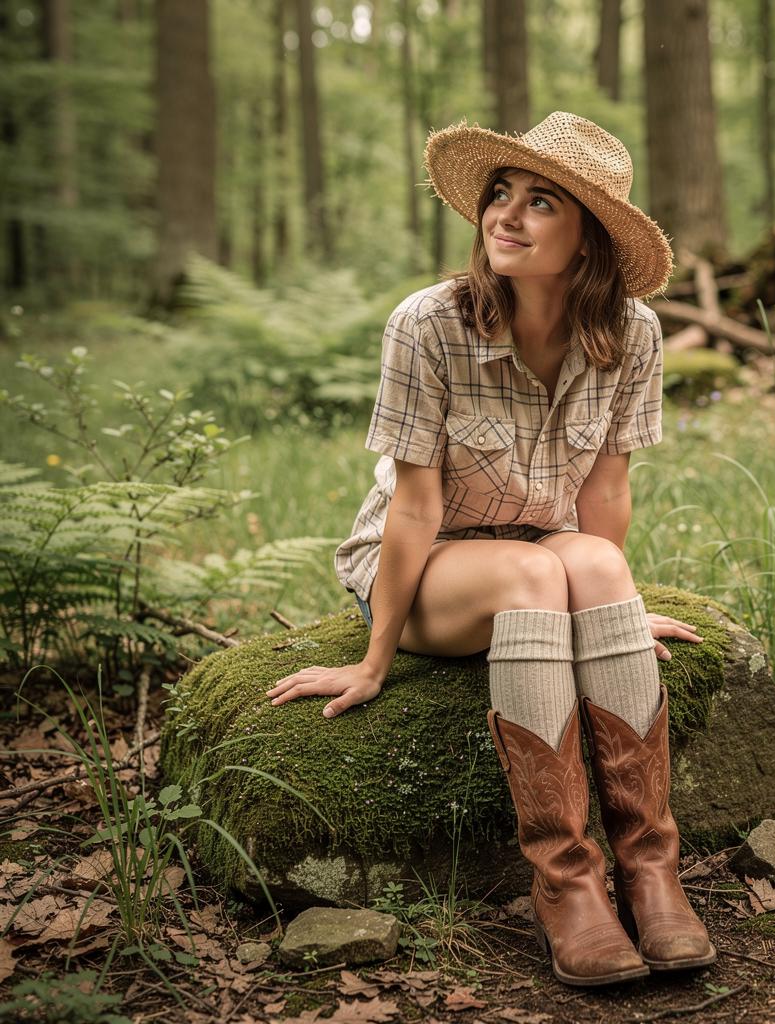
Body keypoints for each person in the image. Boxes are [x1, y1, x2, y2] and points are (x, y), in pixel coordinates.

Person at [265, 111, 716, 987]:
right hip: (423, 562)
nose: (505, 214)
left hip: (539, 547)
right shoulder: (429, 324)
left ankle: (652, 870)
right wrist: (373, 660)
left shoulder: (634, 333)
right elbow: (413, 509)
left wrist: (610, 616)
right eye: (500, 193)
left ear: (590, 238)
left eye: (540, 201)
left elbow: (606, 493)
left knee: (592, 566)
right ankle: (568, 884)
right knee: (532, 571)